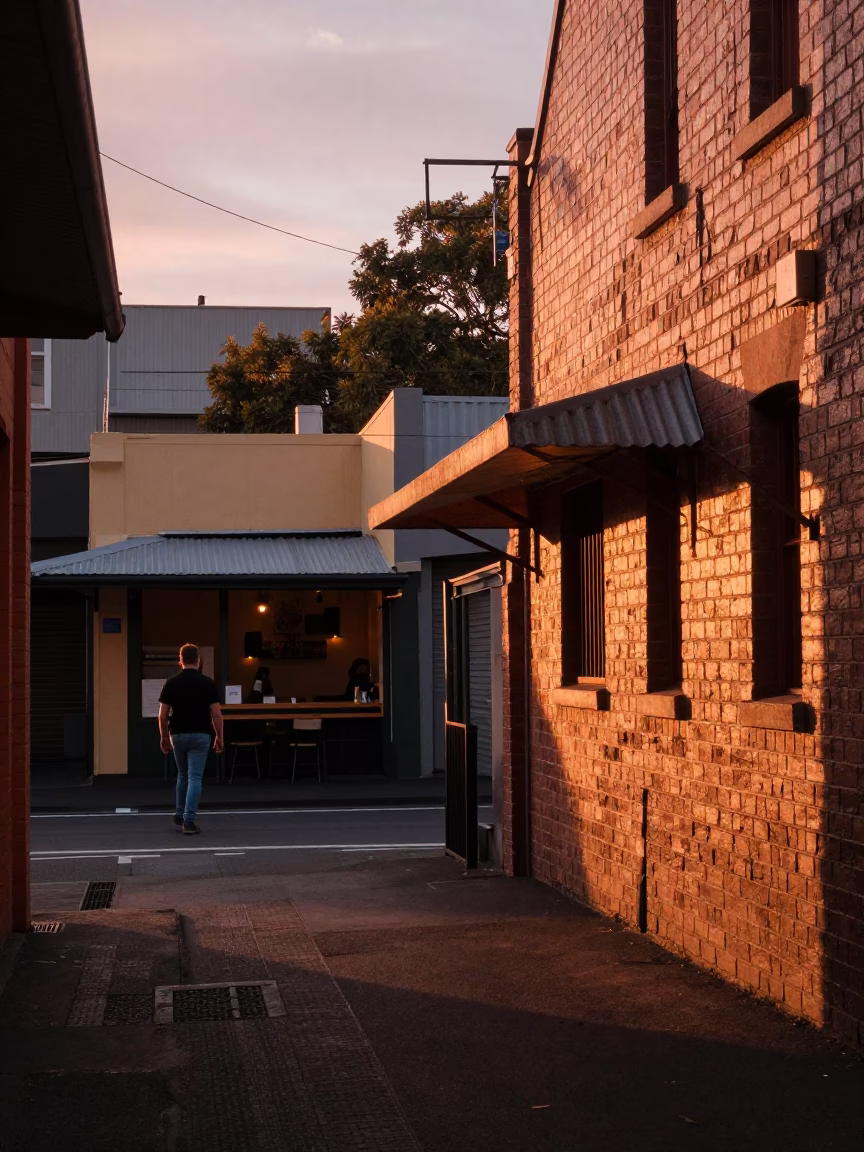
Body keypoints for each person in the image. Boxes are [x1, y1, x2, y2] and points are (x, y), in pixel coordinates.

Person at [158, 643, 223, 835]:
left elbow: (162, 715)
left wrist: (163, 737)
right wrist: (219, 736)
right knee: (195, 776)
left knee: (182, 775)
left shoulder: (171, 683)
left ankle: (179, 814)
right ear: (198, 660)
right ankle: (189, 820)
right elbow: (216, 714)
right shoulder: (208, 683)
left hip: (177, 734)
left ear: (180, 660)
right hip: (201, 734)